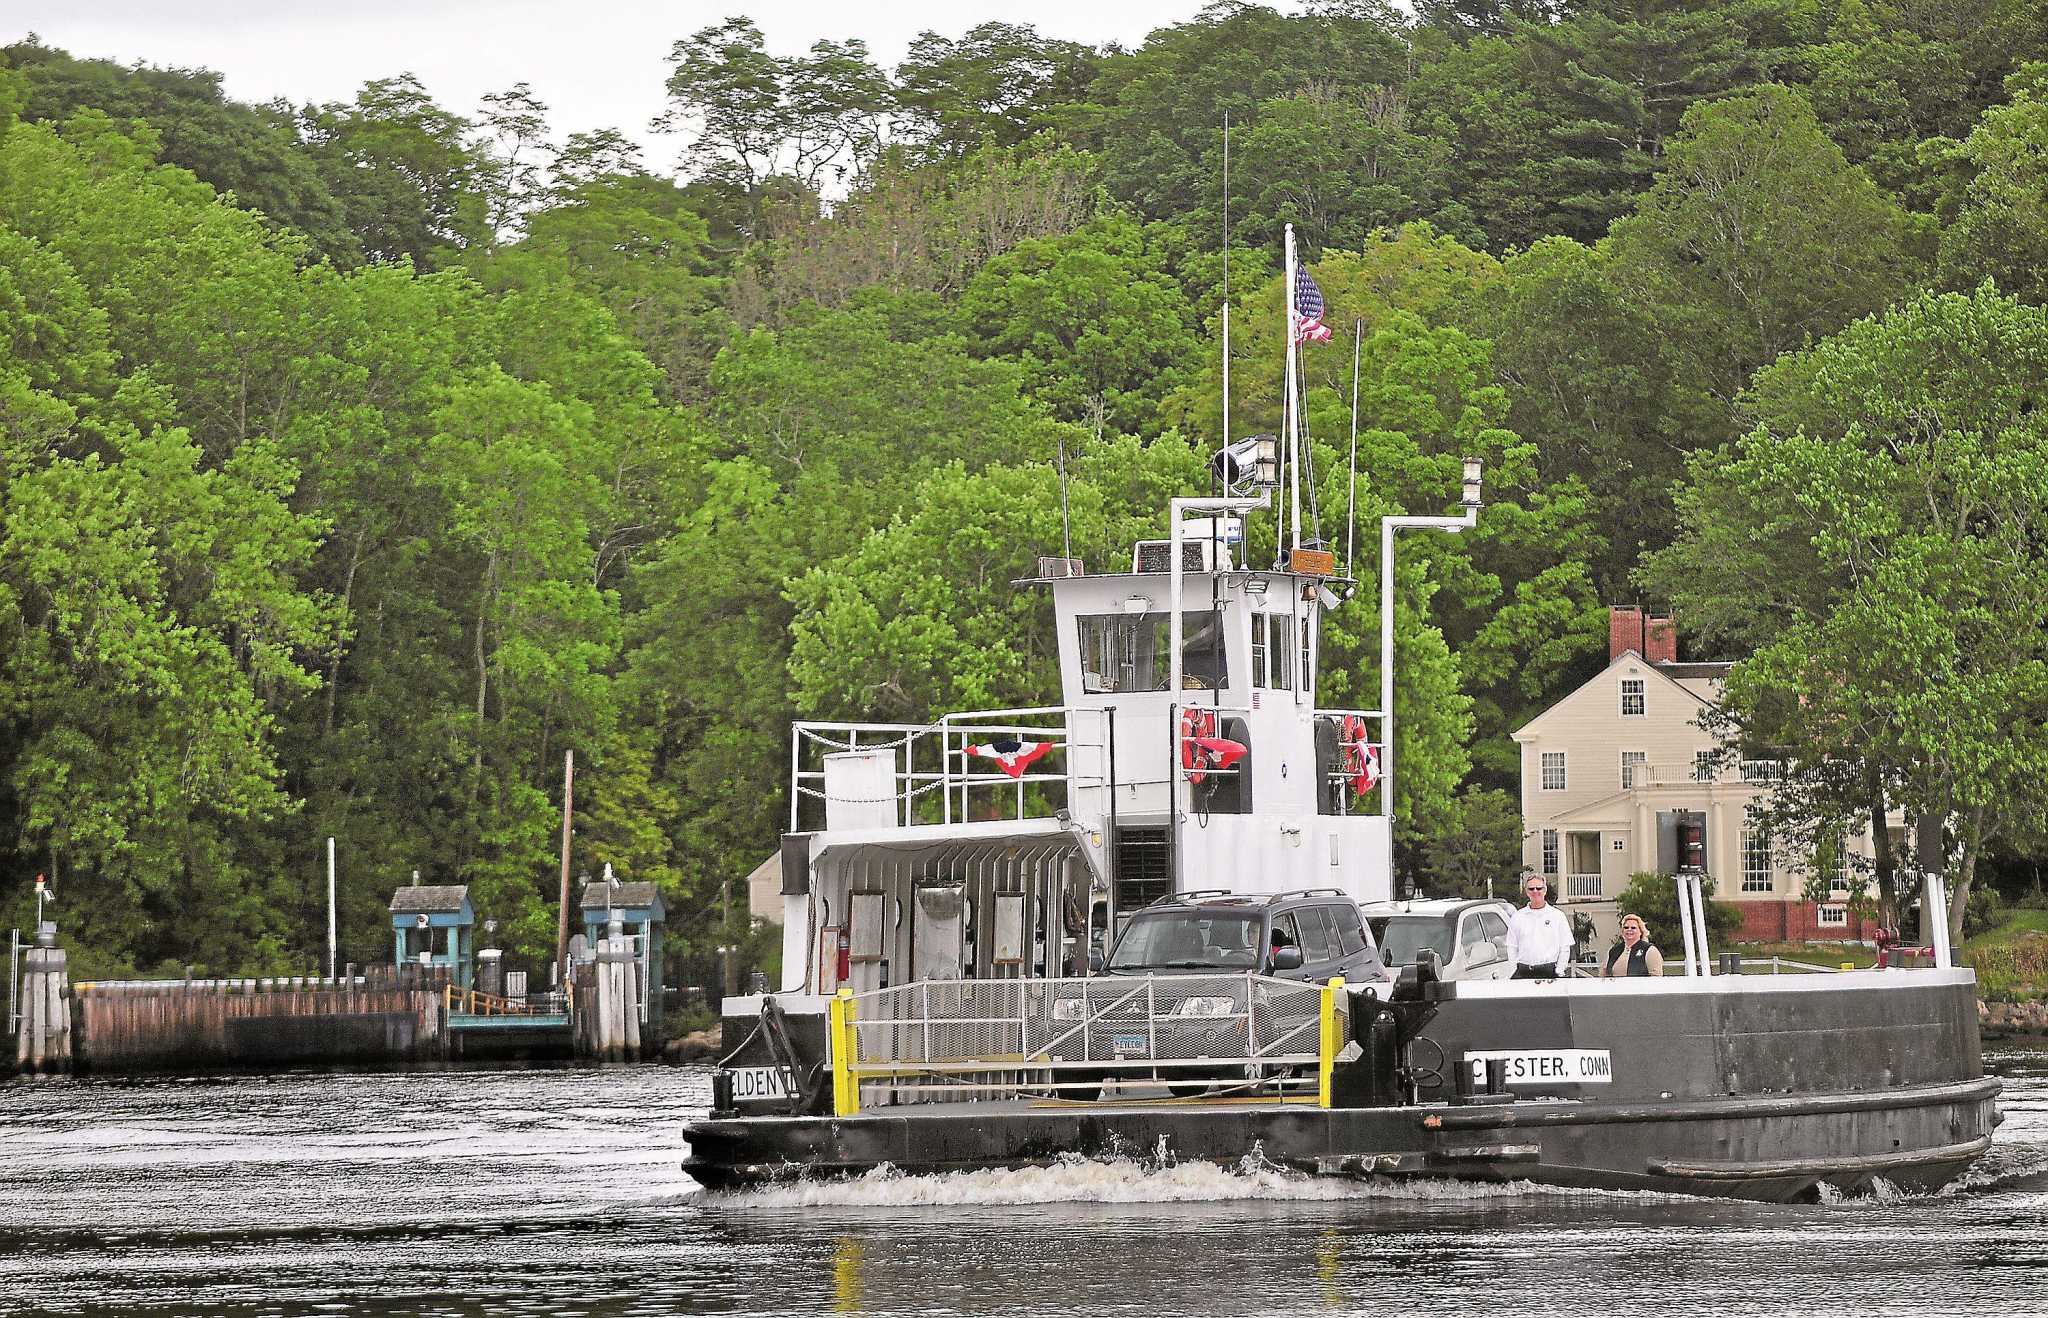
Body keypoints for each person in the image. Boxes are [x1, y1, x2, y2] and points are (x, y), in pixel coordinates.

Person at [1507, 875, 1572, 979]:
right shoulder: (1517, 917)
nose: (1535, 891)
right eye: (1531, 889)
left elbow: (1565, 947)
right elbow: (1512, 947)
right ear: (1527, 892)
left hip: (1549, 973)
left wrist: (1559, 970)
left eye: (1539, 888)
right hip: (1523, 973)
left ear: (1545, 890)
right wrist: (1513, 970)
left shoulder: (1558, 916)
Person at [1602, 913, 1664, 978]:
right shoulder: (1613, 951)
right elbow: (1604, 974)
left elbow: (1656, 978)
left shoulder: (1650, 950)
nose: (1629, 929)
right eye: (1626, 927)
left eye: (1633, 928)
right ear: (1622, 931)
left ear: (1641, 931)